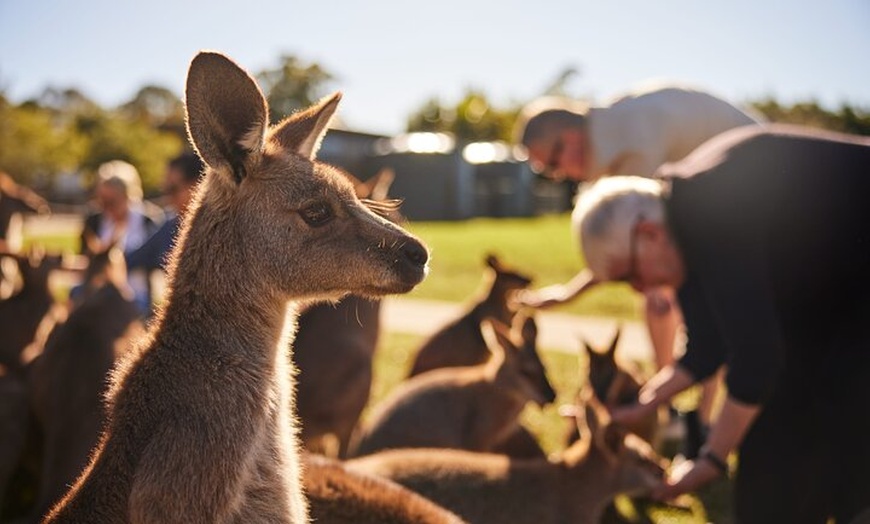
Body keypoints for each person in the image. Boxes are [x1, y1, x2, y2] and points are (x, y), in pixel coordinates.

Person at [571, 124, 870, 523]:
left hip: (850, 305)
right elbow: (706, 346)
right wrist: (645, 403)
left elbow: (757, 357)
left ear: (648, 234)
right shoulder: (680, 222)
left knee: (845, 440)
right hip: (831, 305)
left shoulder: (709, 208)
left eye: (630, 275)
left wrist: (711, 458)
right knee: (774, 465)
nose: (641, 290)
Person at [513, 82, 763, 450]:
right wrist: (568, 293)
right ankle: (679, 412)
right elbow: (629, 249)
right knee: (666, 300)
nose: (558, 174)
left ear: (569, 137)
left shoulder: (632, 142)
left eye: (551, 163)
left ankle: (697, 422)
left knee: (677, 303)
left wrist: (573, 293)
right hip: (719, 209)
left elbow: (640, 244)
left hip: (757, 192)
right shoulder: (612, 140)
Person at [78, 160, 160, 315]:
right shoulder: (94, 221)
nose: (105, 206)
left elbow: (155, 259)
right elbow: (84, 258)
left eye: (111, 201)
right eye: (101, 201)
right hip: (96, 294)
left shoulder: (147, 220)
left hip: (136, 297)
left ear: (128, 196)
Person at [125, 151, 203, 274]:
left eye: (173, 189)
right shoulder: (171, 227)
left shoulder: (224, 231)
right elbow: (132, 260)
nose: (168, 198)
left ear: (199, 185)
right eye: (165, 190)